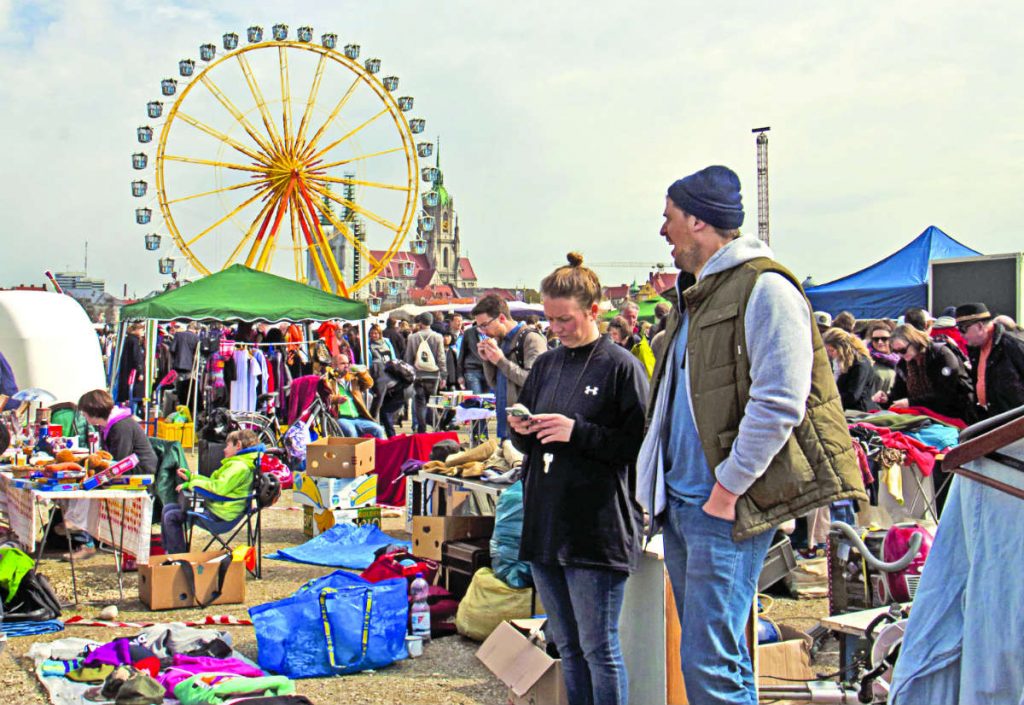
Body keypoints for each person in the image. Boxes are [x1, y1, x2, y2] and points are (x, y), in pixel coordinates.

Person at [637, 165, 865, 705]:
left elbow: (780, 401)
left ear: (697, 220)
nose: (661, 231)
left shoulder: (764, 287)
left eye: (668, 218)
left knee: (708, 660)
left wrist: (727, 489)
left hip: (724, 508)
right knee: (716, 655)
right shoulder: (699, 295)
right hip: (688, 504)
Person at [509, 252, 648, 705]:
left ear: (594, 310)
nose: (556, 328)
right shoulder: (547, 365)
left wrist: (577, 432)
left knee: (598, 647)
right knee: (567, 646)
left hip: (598, 525)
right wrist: (524, 432)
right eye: (549, 319)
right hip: (547, 521)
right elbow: (532, 445)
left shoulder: (620, 366)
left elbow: (638, 447)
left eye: (564, 319)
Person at [73, 389, 159, 560]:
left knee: (89, 492)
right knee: (86, 486)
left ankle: (85, 539)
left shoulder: (120, 426)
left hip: (138, 471)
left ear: (94, 412)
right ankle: (83, 532)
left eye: (84, 412)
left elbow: (118, 460)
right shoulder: (110, 424)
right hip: (125, 468)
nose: (83, 416)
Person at [161, 428, 261, 554]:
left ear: (238, 445)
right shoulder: (240, 464)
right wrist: (192, 477)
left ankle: (177, 558)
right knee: (168, 508)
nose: (224, 449)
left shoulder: (239, 467)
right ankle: (168, 553)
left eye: (228, 445)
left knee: (171, 516)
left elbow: (218, 488)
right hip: (219, 508)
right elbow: (216, 484)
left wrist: (193, 484)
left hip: (220, 516)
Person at [472, 294, 546, 439]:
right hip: (505, 423)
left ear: (501, 318)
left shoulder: (531, 339)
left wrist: (500, 360)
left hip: (524, 426)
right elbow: (494, 383)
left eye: (484, 325)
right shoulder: (500, 340)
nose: (483, 332)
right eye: (479, 327)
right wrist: (487, 360)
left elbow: (532, 381)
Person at [873, 324, 976, 422]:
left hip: (956, 413)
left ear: (914, 342)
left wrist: (911, 403)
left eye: (903, 350)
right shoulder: (904, 364)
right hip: (924, 416)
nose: (900, 355)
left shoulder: (941, 355)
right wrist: (886, 398)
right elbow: (899, 393)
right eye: (896, 352)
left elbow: (946, 394)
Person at [956, 302, 1024, 418]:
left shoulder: (1013, 345)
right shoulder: (976, 350)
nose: (960, 335)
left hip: (1016, 422)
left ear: (979, 326)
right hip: (992, 418)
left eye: (962, 329)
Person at [322, 353, 386, 439]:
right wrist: (336, 399)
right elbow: (324, 397)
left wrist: (361, 372)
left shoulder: (352, 379)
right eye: (343, 363)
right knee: (351, 431)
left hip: (358, 418)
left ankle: (379, 452)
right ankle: (355, 452)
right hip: (341, 418)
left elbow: (369, 383)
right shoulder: (328, 380)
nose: (346, 366)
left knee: (378, 429)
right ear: (333, 365)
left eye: (347, 363)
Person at [404, 312, 446, 433]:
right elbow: (441, 357)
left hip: (418, 375)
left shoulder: (412, 337)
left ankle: (421, 428)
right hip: (433, 375)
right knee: (432, 402)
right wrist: (443, 375)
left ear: (421, 323)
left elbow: (409, 357)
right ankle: (437, 427)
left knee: (419, 403)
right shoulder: (438, 337)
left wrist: (409, 374)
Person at [822, 328, 878, 411]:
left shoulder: (860, 363)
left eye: (832, 350)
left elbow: (852, 396)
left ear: (842, 348)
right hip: (840, 407)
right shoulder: (836, 362)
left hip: (859, 410)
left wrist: (828, 400)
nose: (830, 354)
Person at [862, 320, 900, 395]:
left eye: (884, 338)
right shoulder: (866, 360)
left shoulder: (902, 358)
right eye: (875, 339)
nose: (880, 342)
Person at [170, 322, 201, 407]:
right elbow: (197, 353)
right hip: (190, 365)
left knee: (179, 386)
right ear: (196, 330)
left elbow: (172, 349)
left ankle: (180, 404)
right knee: (188, 386)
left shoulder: (178, 335)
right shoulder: (196, 338)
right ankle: (187, 404)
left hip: (178, 364)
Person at [116, 323, 146, 406]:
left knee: (128, 395)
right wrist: (140, 372)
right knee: (134, 396)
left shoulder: (127, 339)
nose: (143, 332)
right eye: (142, 330)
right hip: (133, 374)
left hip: (127, 372)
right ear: (136, 330)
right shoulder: (134, 341)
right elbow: (136, 357)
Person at [457, 322, 490, 394]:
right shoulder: (469, 333)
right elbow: (462, 353)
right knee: (476, 399)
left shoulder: (492, 331)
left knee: (487, 401)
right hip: (472, 369)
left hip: (489, 370)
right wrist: (460, 374)